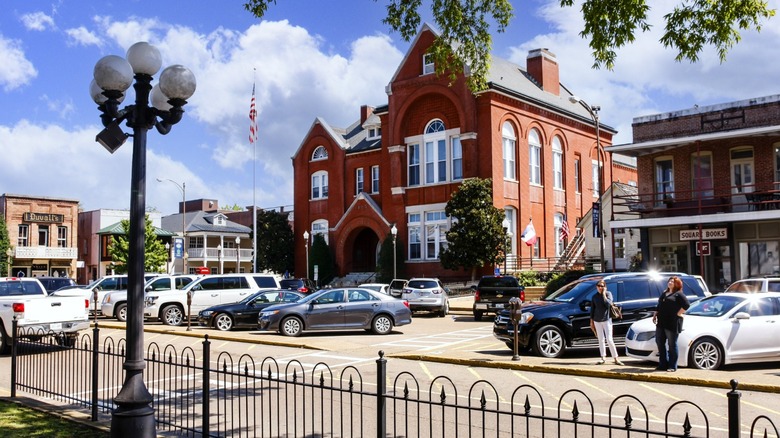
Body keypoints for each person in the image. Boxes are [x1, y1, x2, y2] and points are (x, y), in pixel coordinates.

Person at [652, 276, 690, 372]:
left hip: (672, 322)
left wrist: (678, 313)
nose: (670, 282)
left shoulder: (678, 294)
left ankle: (672, 366)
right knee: (659, 342)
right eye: (669, 281)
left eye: (672, 281)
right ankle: (663, 364)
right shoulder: (664, 293)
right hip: (661, 322)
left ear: (677, 284)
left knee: (672, 344)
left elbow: (686, 305)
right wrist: (655, 314)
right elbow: (659, 305)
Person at [589, 281, 623, 365]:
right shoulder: (594, 297)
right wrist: (591, 321)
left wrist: (604, 294)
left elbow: (608, 304)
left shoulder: (608, 294)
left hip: (606, 319)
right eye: (599, 286)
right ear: (596, 286)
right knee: (601, 339)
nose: (600, 287)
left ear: (605, 287)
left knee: (609, 339)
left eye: (602, 286)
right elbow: (592, 309)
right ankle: (603, 357)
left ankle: (615, 358)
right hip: (597, 320)